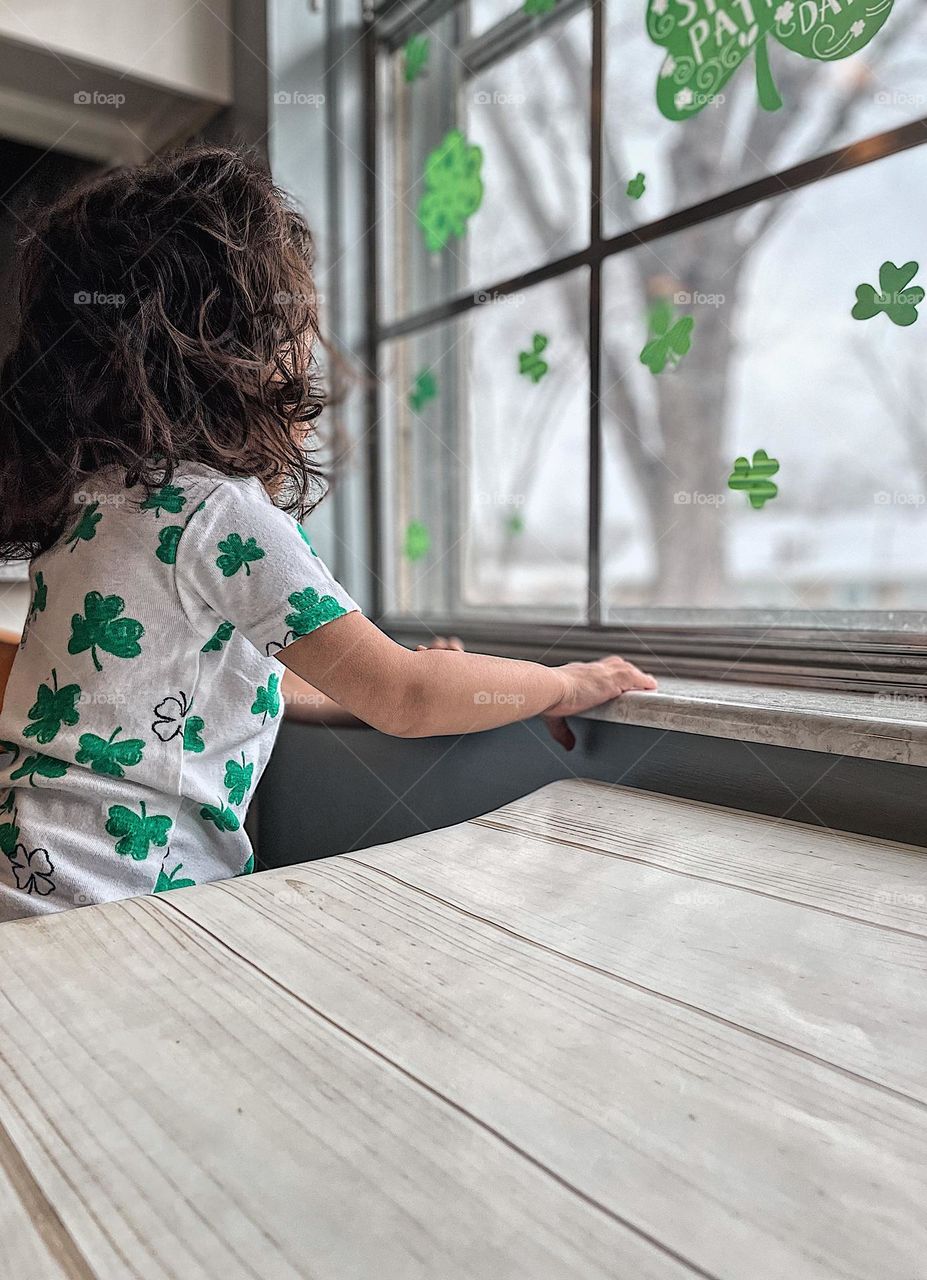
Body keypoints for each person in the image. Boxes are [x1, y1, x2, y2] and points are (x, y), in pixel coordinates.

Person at [0, 146, 655, 921]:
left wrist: (450, 684)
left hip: (27, 872)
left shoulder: (91, 507)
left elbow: (237, 689)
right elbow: (405, 698)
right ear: (235, 339)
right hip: (115, 908)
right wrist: (564, 683)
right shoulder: (218, 516)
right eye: (292, 312)